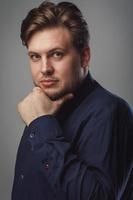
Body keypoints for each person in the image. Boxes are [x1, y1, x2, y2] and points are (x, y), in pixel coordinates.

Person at [12, 1, 133, 200]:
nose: (44, 68)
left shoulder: (111, 111)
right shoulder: (40, 106)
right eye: (35, 56)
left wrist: (41, 124)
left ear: (84, 57)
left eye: (56, 54)